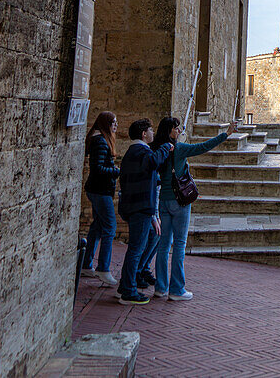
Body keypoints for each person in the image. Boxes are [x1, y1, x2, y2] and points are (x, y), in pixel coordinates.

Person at [153, 116, 238, 301]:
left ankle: (160, 287)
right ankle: (176, 289)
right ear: (169, 131)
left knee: (163, 245)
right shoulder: (179, 149)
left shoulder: (157, 149)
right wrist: (226, 134)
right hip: (179, 202)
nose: (178, 131)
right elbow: (202, 147)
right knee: (179, 245)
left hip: (163, 201)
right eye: (175, 129)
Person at [117, 118, 174, 304]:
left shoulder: (133, 152)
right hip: (140, 207)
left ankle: (130, 280)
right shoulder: (140, 151)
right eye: (150, 130)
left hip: (137, 207)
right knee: (135, 249)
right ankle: (128, 290)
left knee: (151, 238)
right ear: (143, 133)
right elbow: (153, 162)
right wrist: (165, 147)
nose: (152, 133)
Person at [83, 111, 120, 285]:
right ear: (106, 124)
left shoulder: (101, 140)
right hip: (100, 191)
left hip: (98, 190)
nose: (116, 126)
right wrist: (116, 171)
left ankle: (86, 264)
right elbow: (97, 168)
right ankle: (103, 269)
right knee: (110, 228)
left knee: (97, 227)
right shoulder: (100, 141)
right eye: (113, 122)